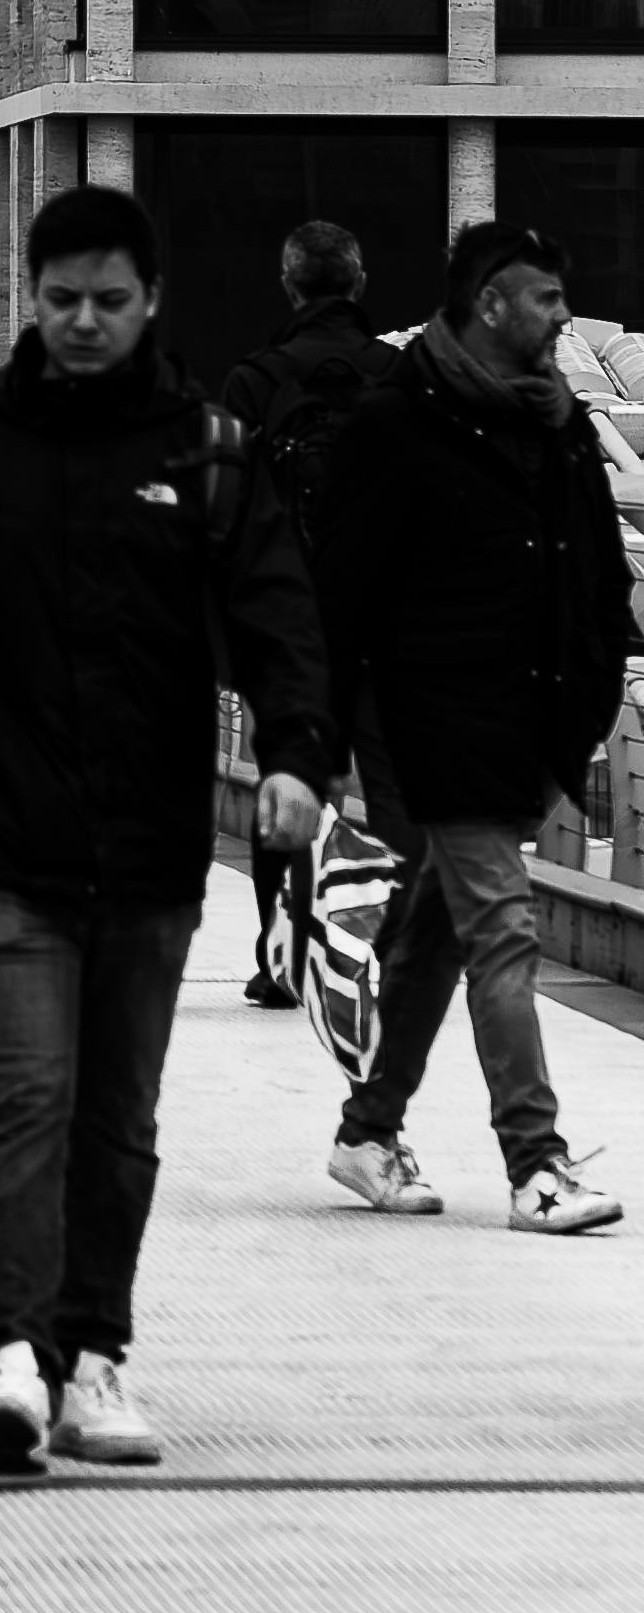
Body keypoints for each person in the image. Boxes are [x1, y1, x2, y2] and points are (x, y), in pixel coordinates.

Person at [0, 177, 335, 1477]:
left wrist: (297, 757)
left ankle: (94, 1352)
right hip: (5, 838)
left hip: (154, 849)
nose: (83, 323)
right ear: (30, 298)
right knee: (26, 1098)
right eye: (61, 300)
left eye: (109, 302)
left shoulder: (206, 451)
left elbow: (281, 619)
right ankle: (10, 1351)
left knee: (117, 1116)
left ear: (152, 302)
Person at [310, 219, 631, 1235]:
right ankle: (535, 1164)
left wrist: (582, 702)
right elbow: (337, 597)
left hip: (534, 731)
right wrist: (320, 747)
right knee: (503, 930)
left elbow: (596, 573)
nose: (562, 315)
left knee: (439, 937)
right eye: (543, 298)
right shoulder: (394, 425)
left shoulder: (558, 422)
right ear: (491, 304)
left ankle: (367, 1134)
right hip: (434, 727)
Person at [218, 217, 404, 1006]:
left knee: (291, 785)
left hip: (286, 625)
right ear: (359, 285)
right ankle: (386, 956)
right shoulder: (401, 377)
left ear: (290, 285)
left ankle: (284, 957)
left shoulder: (253, 382)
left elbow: (224, 522)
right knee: (394, 794)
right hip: (387, 626)